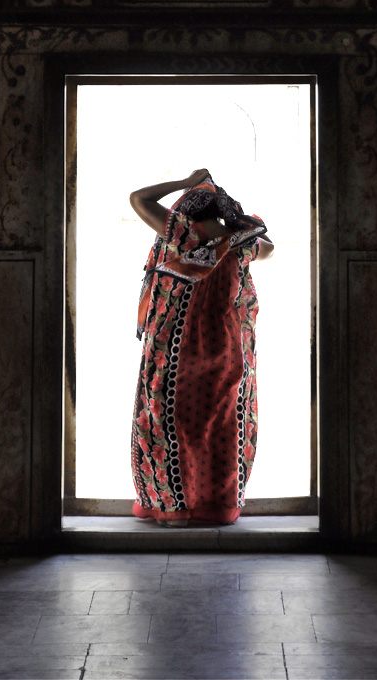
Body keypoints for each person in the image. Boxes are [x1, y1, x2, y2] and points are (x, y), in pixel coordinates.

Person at [129, 168, 273, 525]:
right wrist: (236, 220)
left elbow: (138, 199)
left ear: (186, 208)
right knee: (222, 425)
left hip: (175, 345)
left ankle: (173, 507)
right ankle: (216, 505)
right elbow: (269, 248)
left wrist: (184, 182)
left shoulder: (182, 232)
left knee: (169, 420)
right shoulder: (241, 242)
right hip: (226, 345)